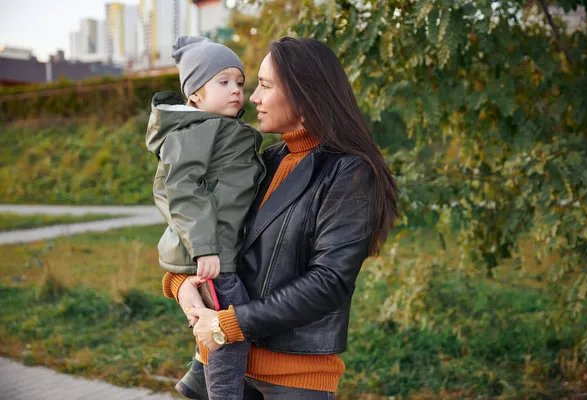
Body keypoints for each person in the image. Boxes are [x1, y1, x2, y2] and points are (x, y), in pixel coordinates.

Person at [167, 36, 398, 399]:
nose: (252, 97)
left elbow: (329, 282)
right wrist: (180, 286)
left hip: (292, 382)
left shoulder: (350, 173)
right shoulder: (264, 162)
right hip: (228, 370)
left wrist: (230, 323)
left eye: (264, 85)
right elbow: (216, 236)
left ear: (305, 95)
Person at [145, 36, 264, 399]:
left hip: (220, 252)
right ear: (194, 94)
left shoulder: (222, 128)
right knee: (228, 337)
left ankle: (198, 376)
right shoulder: (196, 130)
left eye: (240, 83)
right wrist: (205, 248)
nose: (236, 91)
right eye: (223, 82)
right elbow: (182, 187)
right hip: (212, 257)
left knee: (224, 326)